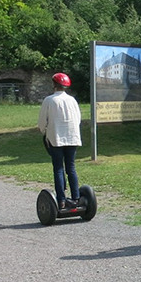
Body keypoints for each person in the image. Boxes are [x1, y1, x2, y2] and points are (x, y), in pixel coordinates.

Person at [38, 72, 83, 207]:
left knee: (58, 168)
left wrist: (43, 131)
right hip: (72, 137)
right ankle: (76, 198)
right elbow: (78, 119)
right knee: (71, 167)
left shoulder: (49, 100)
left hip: (56, 138)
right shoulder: (72, 100)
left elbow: (42, 121)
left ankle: (61, 200)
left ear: (54, 85)